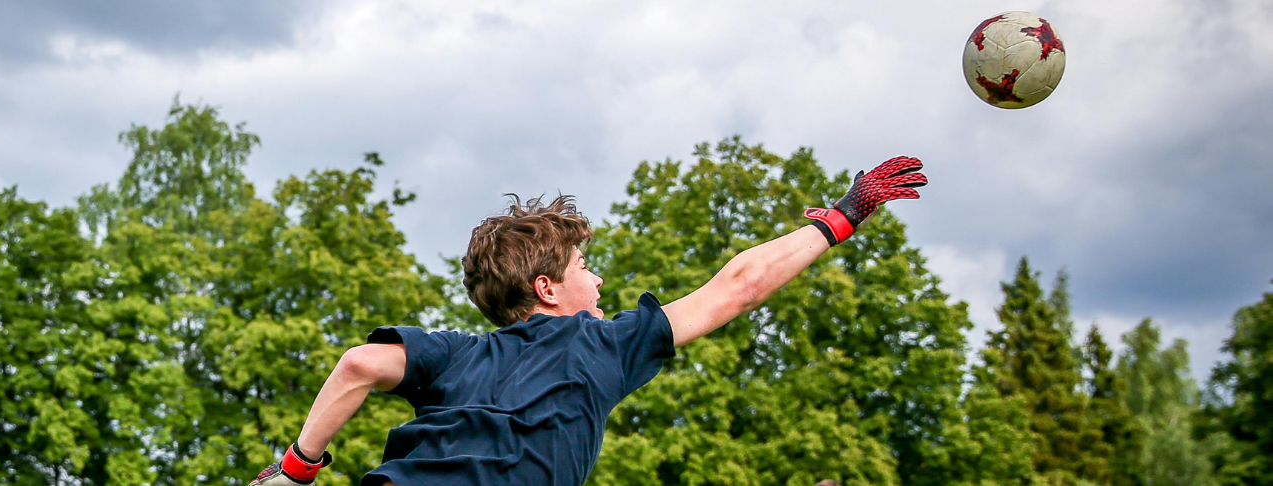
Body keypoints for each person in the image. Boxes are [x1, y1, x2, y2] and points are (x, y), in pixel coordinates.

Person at [249, 156, 928, 486]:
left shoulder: (454, 354)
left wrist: (295, 470)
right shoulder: (597, 345)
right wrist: (841, 216)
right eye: (583, 267)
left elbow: (358, 365)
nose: (597, 280)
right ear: (546, 288)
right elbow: (738, 288)